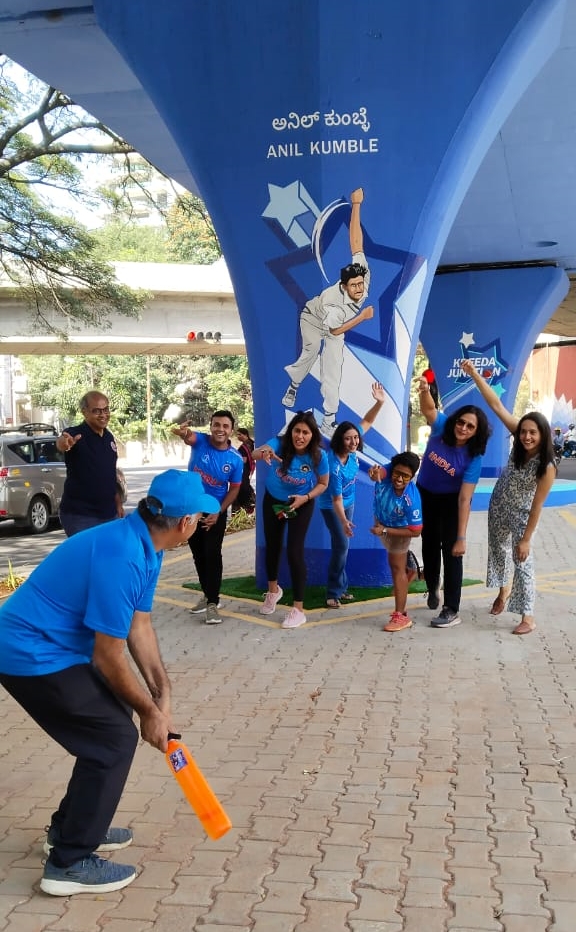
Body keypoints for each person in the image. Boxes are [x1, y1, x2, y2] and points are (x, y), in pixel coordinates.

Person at [0, 470, 219, 896]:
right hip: (27, 651)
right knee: (113, 738)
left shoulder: (146, 546)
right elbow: (108, 655)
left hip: (54, 649)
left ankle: (69, 831)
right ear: (184, 523)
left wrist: (162, 695)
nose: (200, 523)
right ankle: (69, 863)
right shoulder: (123, 554)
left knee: (110, 725)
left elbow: (139, 628)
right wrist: (148, 713)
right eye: (198, 516)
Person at [462, 359, 556, 635]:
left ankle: (528, 616)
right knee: (498, 552)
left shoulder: (547, 466)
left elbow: (538, 505)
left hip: (522, 515)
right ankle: (503, 592)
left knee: (522, 560)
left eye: (532, 433)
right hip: (498, 505)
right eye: (523, 431)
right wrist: (476, 375)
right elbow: (496, 405)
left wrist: (526, 538)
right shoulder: (519, 435)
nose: (526, 436)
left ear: (543, 435)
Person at [282, 188, 374, 437]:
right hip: (315, 320)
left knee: (333, 371)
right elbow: (335, 328)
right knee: (311, 353)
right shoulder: (335, 301)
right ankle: (294, 385)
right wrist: (362, 317)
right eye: (354, 286)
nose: (359, 288)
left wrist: (356, 205)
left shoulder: (361, 272)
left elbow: (356, 242)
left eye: (361, 283)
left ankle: (329, 420)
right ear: (344, 286)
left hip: (336, 326)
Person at [417, 375, 491, 628]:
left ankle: (451, 609)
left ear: (477, 432)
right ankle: (432, 587)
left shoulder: (474, 456)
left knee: (452, 553)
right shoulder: (442, 428)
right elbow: (428, 408)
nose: (463, 428)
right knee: (428, 544)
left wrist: (461, 537)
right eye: (462, 422)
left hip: (451, 502)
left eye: (471, 427)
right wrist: (425, 390)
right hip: (424, 493)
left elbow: (465, 497)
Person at [254, 411, 329, 629]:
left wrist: (305, 498)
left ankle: (298, 610)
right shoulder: (279, 443)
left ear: (312, 435)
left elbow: (323, 483)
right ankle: (273, 591)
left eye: (305, 432)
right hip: (274, 500)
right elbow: (258, 452)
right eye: (297, 430)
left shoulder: (318, 456)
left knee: (294, 551)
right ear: (291, 431)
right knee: (273, 546)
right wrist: (263, 451)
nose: (300, 436)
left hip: (300, 502)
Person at [172, 411, 243, 625]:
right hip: (192, 508)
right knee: (198, 554)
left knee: (212, 554)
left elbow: (234, 489)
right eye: (216, 425)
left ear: (231, 430)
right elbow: (186, 435)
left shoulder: (235, 459)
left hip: (215, 510)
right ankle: (207, 594)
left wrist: (217, 512)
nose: (220, 429)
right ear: (210, 426)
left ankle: (213, 603)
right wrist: (181, 431)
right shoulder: (200, 440)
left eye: (225, 426)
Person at [318, 382, 385, 608]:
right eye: (348, 438)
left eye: (355, 438)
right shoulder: (332, 463)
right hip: (332, 506)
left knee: (342, 546)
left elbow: (367, 421)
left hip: (349, 502)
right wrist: (345, 521)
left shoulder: (353, 453)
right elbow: (335, 498)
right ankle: (333, 592)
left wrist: (380, 402)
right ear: (340, 439)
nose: (354, 441)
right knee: (341, 546)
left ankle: (341, 587)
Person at [57, 391, 124, 537]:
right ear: (84, 412)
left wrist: (118, 503)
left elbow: (110, 474)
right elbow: (62, 442)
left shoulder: (108, 437)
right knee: (88, 558)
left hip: (109, 514)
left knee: (108, 558)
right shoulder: (74, 433)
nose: (103, 414)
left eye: (106, 409)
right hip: (80, 516)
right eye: (96, 411)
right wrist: (65, 443)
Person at [368, 452, 422, 632]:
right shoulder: (389, 472)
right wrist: (374, 473)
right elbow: (379, 473)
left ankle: (401, 616)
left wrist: (384, 530)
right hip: (383, 523)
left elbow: (416, 531)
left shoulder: (411, 500)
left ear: (412, 476)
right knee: (396, 567)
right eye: (396, 473)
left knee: (396, 568)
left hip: (400, 531)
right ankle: (411, 569)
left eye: (405, 476)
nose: (399, 479)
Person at [234, 427, 256, 514]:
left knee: (242, 488)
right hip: (248, 469)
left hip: (243, 470)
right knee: (246, 486)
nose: (238, 436)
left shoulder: (244, 447)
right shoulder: (251, 443)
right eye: (237, 435)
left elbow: (244, 460)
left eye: (240, 434)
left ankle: (245, 508)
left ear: (245, 435)